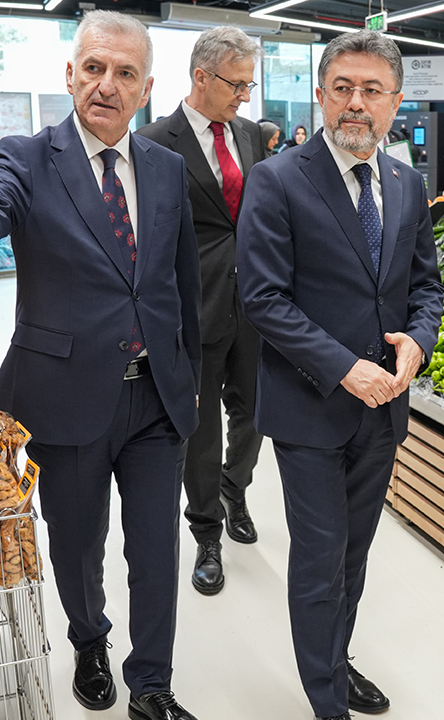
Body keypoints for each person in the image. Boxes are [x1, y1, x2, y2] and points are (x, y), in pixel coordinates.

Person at [0, 11, 203, 720]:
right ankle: (89, 640)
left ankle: (153, 685)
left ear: (146, 88)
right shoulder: (27, 156)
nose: (106, 84)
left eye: (125, 73)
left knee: (156, 549)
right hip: (67, 390)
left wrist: (189, 381)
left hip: (155, 396)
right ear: (70, 74)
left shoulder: (167, 169)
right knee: (78, 544)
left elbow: (180, 284)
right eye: (94, 68)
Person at [237, 31, 443, 720]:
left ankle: (335, 658)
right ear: (322, 95)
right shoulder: (278, 179)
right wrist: (344, 367)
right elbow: (263, 298)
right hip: (310, 405)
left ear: (395, 102)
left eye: (372, 90)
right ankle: (327, 701)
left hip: (382, 409)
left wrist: (417, 344)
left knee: (354, 554)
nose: (357, 103)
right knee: (320, 557)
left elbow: (425, 286)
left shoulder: (407, 184)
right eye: (344, 88)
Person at [137, 26, 266, 598]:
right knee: (202, 426)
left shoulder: (250, 134)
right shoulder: (155, 142)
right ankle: (207, 532)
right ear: (201, 77)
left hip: (256, 302)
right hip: (195, 305)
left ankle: (235, 489)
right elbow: (150, 238)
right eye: (236, 84)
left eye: (248, 84)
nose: (244, 95)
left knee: (256, 411)